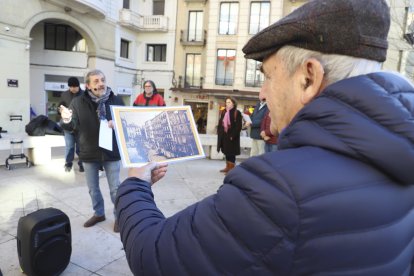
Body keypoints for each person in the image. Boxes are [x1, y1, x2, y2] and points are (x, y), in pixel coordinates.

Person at [115, 0, 414, 274]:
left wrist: (134, 184)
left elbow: (154, 257)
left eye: (268, 76)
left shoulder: (279, 189)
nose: (262, 93)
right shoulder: (401, 153)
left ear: (308, 78)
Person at [60, 69, 124, 233]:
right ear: (87, 85)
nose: (100, 83)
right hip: (88, 152)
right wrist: (66, 119)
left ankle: (119, 217)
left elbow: (125, 123)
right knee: (92, 188)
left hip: (112, 152)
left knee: (115, 189)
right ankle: (99, 213)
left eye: (102, 80)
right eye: (96, 81)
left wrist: (118, 124)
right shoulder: (78, 102)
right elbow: (71, 127)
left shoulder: (116, 100)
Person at [58, 77, 84, 172]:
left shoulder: (84, 95)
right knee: (69, 146)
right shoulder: (64, 95)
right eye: (71, 87)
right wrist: (60, 110)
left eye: (75, 86)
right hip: (67, 126)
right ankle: (68, 164)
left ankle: (82, 164)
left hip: (80, 127)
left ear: (78, 86)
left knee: (81, 147)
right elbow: (60, 106)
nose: (73, 88)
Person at [216, 96, 242, 174]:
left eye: (229, 102)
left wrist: (232, 136)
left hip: (232, 137)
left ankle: (231, 169)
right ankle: (227, 167)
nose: (227, 104)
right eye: (226, 102)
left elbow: (238, 126)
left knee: (231, 153)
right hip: (224, 135)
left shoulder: (237, 112)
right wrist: (219, 131)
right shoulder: (224, 111)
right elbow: (221, 123)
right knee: (226, 151)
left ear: (233, 103)